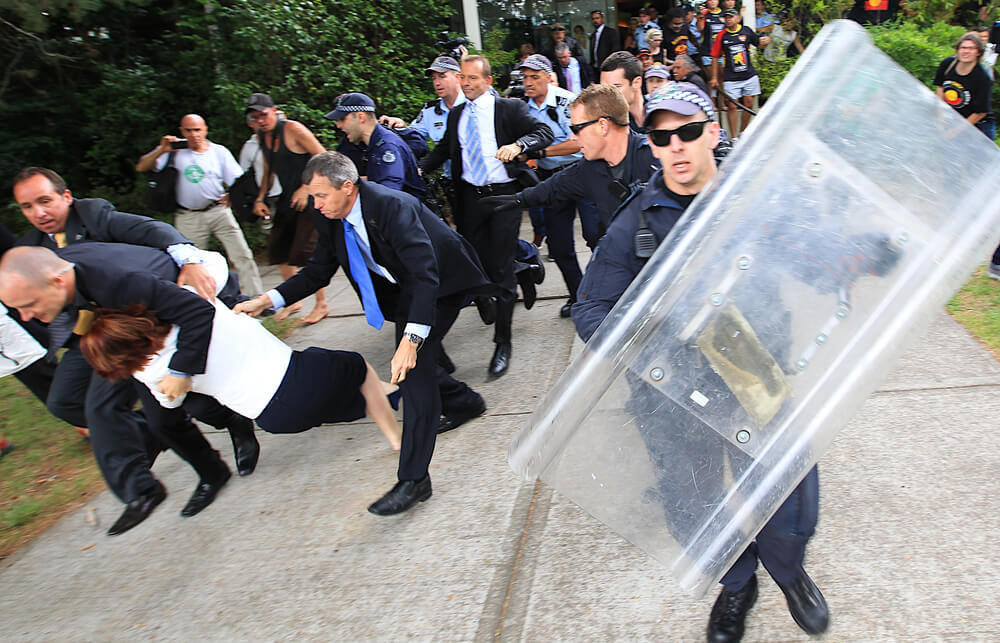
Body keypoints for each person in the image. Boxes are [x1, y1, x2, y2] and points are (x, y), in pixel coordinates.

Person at [571, 82, 828, 643]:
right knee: (692, 504)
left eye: (689, 131)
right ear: (653, 145)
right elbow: (589, 306)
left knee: (787, 488)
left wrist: (865, 256)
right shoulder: (635, 219)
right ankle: (737, 585)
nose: (677, 146)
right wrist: (643, 351)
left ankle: (788, 571)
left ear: (714, 131)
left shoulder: (757, 198)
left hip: (751, 365)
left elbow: (813, 253)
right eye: (663, 137)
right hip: (671, 385)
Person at [236, 152, 493, 514]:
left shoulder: (392, 207)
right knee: (411, 364)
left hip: (441, 285)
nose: (316, 204)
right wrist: (267, 299)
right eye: (312, 196)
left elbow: (424, 275)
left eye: (322, 195)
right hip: (402, 289)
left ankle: (414, 479)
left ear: (348, 187)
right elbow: (318, 271)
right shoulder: (328, 213)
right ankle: (465, 401)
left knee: (412, 368)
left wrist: (411, 340)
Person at [11, 167, 258, 535]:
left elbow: (152, 231)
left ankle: (191, 462)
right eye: (27, 206)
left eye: (44, 200)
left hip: (146, 319)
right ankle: (146, 434)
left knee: (169, 404)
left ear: (65, 196)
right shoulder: (33, 248)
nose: (38, 212)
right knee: (65, 401)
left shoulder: (94, 216)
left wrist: (188, 259)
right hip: (97, 334)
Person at [80, 301, 402, 450]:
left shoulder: (150, 372)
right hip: (300, 377)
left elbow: (170, 405)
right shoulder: (197, 311)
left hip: (273, 418)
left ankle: (396, 396)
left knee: (346, 397)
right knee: (359, 367)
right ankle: (397, 439)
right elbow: (215, 266)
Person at [419, 55, 555, 378]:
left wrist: (520, 144)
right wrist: (417, 168)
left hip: (504, 196)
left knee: (501, 269)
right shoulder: (456, 116)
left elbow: (544, 132)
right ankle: (524, 272)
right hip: (469, 199)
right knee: (472, 264)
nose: (466, 84)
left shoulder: (509, 109)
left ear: (488, 81)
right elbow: (443, 151)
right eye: (463, 78)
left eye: (473, 79)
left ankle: (502, 343)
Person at [480, 84, 660, 247]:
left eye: (576, 129)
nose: (573, 138)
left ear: (603, 126)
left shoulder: (656, 159)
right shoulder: (589, 169)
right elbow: (551, 189)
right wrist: (517, 200)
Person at [136, 114, 264, 298]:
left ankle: (256, 298)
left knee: (242, 254)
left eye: (197, 130)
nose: (193, 134)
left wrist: (232, 196)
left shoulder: (218, 151)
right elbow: (142, 166)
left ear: (205, 129)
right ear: (182, 131)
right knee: (193, 263)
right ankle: (206, 302)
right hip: (188, 215)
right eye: (188, 130)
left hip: (218, 211)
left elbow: (237, 180)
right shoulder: (173, 151)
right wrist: (161, 151)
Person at [516, 55, 600, 318]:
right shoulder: (521, 108)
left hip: (583, 172)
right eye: (525, 77)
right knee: (560, 246)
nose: (528, 83)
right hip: (553, 181)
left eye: (534, 77)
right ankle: (578, 296)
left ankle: (603, 294)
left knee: (596, 237)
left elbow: (578, 142)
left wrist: (540, 153)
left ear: (548, 76)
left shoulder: (567, 101)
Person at [247, 92, 330, 324]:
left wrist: (306, 187)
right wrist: (260, 198)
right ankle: (292, 300)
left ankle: (321, 304)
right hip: (287, 198)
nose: (261, 120)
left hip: (310, 196)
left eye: (263, 114)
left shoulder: (293, 129)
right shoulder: (263, 135)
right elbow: (267, 167)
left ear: (274, 111)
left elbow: (323, 157)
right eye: (255, 117)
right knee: (281, 251)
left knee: (305, 253)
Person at [327, 92, 426, 201]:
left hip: (407, 214)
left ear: (361, 117)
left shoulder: (387, 147)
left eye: (342, 119)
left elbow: (389, 196)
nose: (338, 126)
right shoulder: (363, 141)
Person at [711, 9, 771, 136]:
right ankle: (733, 137)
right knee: (732, 106)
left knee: (749, 103)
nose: (728, 20)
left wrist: (765, 41)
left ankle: (742, 132)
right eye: (726, 18)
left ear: (737, 18)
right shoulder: (721, 36)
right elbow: (715, 56)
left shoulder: (746, 31)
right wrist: (715, 77)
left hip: (748, 74)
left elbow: (758, 43)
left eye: (731, 17)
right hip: (731, 76)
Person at [934, 33, 995, 140]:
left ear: (978, 52)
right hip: (954, 117)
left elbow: (980, 112)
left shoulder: (983, 78)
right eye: (963, 47)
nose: (966, 51)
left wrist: (954, 132)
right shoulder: (947, 64)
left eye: (971, 48)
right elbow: (940, 87)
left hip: (979, 124)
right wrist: (941, 114)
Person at [239, 111, 282, 229]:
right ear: (250, 123)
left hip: (290, 193)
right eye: (256, 120)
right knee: (275, 235)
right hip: (269, 197)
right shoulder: (249, 146)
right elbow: (243, 175)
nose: (261, 123)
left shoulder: (284, 139)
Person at [600, 52, 648, 132]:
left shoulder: (660, 112)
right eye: (604, 88)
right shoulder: (606, 125)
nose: (607, 94)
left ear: (636, 83)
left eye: (616, 87)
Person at [590, 10, 622, 77]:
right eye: (593, 19)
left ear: (602, 19)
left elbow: (615, 50)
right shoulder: (593, 35)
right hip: (595, 69)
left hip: (608, 68)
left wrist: (610, 66)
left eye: (597, 18)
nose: (595, 21)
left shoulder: (611, 32)